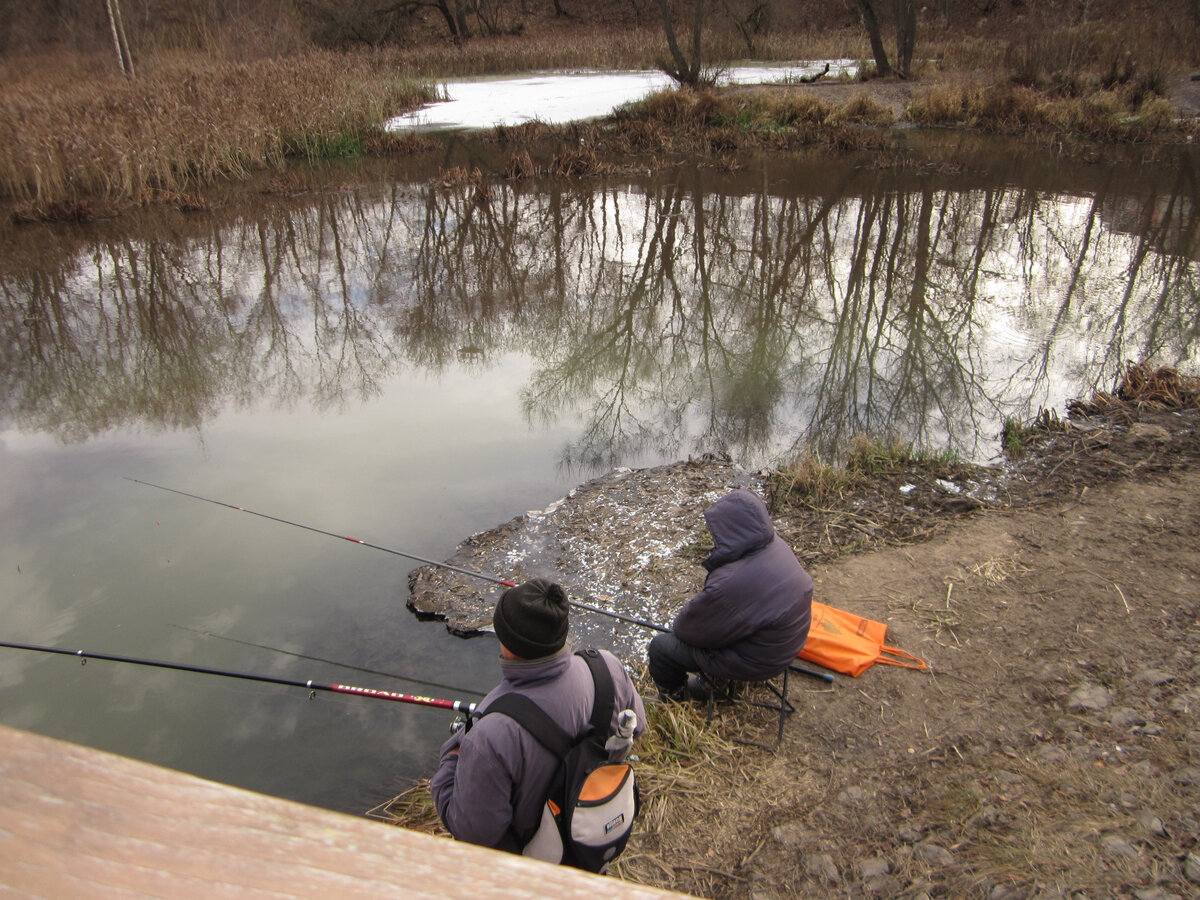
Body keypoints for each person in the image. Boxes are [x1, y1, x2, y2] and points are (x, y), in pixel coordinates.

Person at [430, 577, 646, 855]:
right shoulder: (607, 666)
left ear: (506, 641)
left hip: (535, 863)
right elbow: (637, 727)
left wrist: (454, 753)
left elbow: (474, 832)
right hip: (594, 830)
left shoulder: (491, 734)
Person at [647, 488, 813, 700]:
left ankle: (676, 697)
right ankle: (717, 680)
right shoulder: (776, 545)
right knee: (722, 627)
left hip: (758, 661)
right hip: (788, 645)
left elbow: (687, 629)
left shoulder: (730, 583)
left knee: (661, 648)